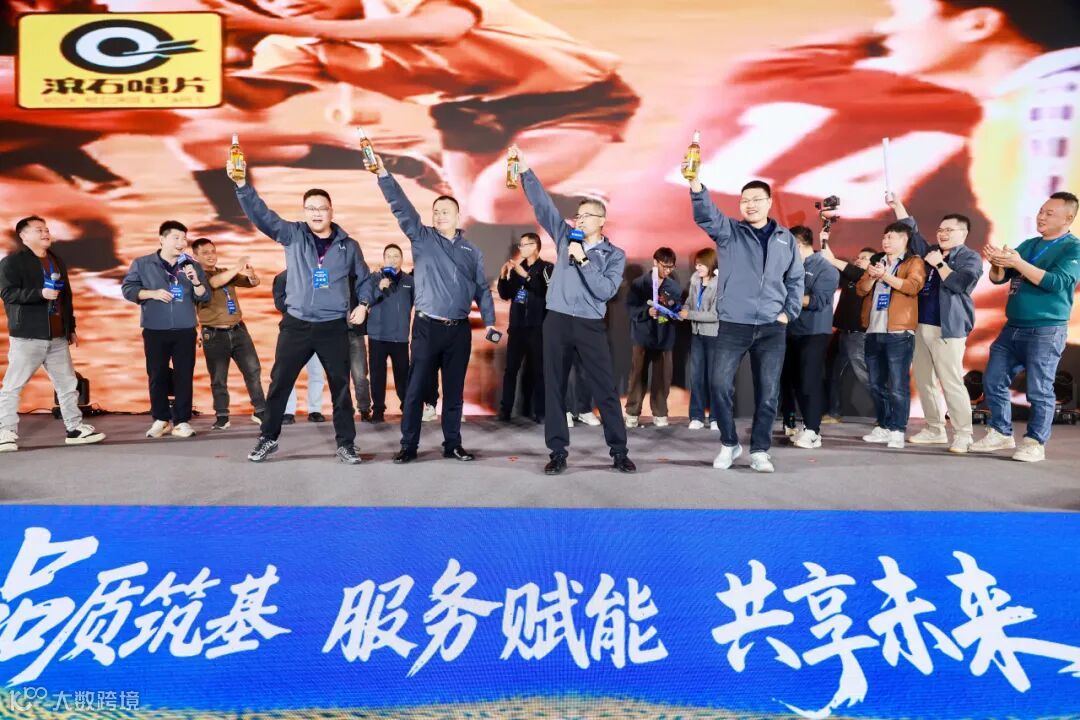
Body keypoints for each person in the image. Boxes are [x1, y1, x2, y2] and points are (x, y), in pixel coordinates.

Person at [232, 160, 371, 464]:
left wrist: (363, 305)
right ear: (304, 211)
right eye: (311, 208)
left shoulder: (349, 246)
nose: (316, 213)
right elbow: (263, 216)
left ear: (331, 211)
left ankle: (346, 444)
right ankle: (268, 438)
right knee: (280, 383)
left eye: (322, 208)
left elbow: (364, 279)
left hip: (333, 326)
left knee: (341, 388)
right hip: (296, 324)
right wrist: (242, 185)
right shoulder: (293, 234)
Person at [515, 145, 635, 475]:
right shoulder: (566, 237)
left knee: (605, 389)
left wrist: (583, 261)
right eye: (577, 215)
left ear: (601, 221)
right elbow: (543, 207)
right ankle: (557, 452)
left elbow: (605, 290)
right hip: (556, 320)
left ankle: (619, 451)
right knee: (554, 387)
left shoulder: (614, 255)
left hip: (589, 323)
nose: (578, 219)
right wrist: (525, 171)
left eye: (585, 216)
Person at [373, 153, 498, 464]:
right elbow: (401, 206)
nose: (440, 215)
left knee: (453, 393)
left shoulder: (472, 251)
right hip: (427, 328)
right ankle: (409, 446)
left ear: (458, 216)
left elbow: (481, 289)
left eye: (446, 211)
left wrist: (490, 321)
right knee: (416, 390)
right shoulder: (422, 237)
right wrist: (384, 175)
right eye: (436, 211)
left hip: (459, 331)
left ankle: (452, 444)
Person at [688, 172, 804, 474]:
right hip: (733, 323)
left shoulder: (785, 239)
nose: (750, 205)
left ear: (769, 202)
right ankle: (729, 443)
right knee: (719, 384)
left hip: (771, 327)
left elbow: (795, 278)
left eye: (756, 199)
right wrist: (696, 186)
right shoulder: (730, 232)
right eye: (744, 200)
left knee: (768, 393)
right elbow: (706, 215)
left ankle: (760, 450)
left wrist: (788, 313)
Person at [973, 192, 1080, 462]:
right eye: (1041, 211)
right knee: (993, 379)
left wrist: (1017, 262)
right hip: (1013, 327)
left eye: (1049, 213)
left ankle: (1034, 442)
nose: (1041, 217)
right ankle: (1000, 432)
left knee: (1039, 389)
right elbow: (999, 278)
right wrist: (997, 264)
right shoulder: (1030, 244)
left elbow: (1057, 282)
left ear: (1068, 218)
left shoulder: (1073, 248)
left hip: (1046, 329)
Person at [887, 194, 984, 453]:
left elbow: (960, 284)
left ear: (963, 233)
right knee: (924, 380)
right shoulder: (931, 252)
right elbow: (912, 233)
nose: (942, 234)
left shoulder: (970, 257)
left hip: (948, 328)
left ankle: (963, 434)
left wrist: (939, 264)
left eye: (949, 230)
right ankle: (934, 428)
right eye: (940, 230)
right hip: (921, 325)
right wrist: (898, 206)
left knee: (950, 381)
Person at [0, 215, 105, 452]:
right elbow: (7, 294)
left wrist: (71, 328)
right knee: (13, 386)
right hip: (28, 336)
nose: (45, 233)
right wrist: (40, 293)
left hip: (57, 337)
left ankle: (74, 429)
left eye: (46, 229)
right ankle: (5, 432)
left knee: (68, 385)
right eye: (39, 230)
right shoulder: (12, 263)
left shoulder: (56, 260)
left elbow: (66, 298)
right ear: (23, 236)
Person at [121, 221, 210, 439]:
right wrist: (152, 294)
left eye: (184, 238)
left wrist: (196, 281)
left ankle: (182, 421)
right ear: (162, 239)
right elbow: (128, 289)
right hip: (155, 329)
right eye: (176, 238)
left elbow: (204, 296)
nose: (182, 242)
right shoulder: (143, 263)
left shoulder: (191, 266)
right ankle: (161, 419)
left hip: (185, 329)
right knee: (157, 374)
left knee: (184, 375)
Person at [856, 222, 927, 449]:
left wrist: (885, 276)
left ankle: (897, 429)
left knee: (897, 385)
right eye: (884, 237)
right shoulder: (878, 261)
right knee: (876, 384)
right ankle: (884, 425)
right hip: (873, 330)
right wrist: (872, 276)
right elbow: (861, 290)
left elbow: (912, 286)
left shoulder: (913, 262)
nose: (886, 241)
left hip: (898, 332)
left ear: (904, 240)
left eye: (891, 237)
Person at [190, 238, 267, 430]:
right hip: (214, 333)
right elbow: (215, 282)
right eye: (205, 253)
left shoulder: (225, 272)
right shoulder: (195, 277)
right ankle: (222, 415)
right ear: (195, 256)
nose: (211, 256)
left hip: (238, 329)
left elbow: (252, 283)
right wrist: (237, 266)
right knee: (218, 377)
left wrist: (251, 275)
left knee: (253, 371)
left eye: (213, 251)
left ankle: (260, 410)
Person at [780, 226, 840, 449]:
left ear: (797, 245)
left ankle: (813, 431)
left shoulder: (825, 268)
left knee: (809, 381)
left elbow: (818, 301)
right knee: (794, 381)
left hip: (814, 332)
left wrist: (785, 296)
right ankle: (802, 425)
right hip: (790, 330)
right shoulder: (789, 267)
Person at [497, 232, 552, 422]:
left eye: (524, 245)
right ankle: (505, 410)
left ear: (535, 246)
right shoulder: (516, 269)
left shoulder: (547, 268)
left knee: (538, 370)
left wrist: (526, 276)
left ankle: (541, 411)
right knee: (511, 370)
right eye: (520, 245)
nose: (521, 248)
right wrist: (503, 277)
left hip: (537, 327)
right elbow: (506, 294)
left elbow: (547, 291)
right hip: (517, 327)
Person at [624, 248, 681, 428]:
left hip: (664, 338)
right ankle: (632, 412)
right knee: (637, 375)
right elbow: (630, 309)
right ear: (655, 262)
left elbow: (677, 309)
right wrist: (647, 311)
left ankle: (660, 412)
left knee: (662, 378)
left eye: (671, 267)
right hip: (642, 337)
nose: (668, 270)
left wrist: (671, 311)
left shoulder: (674, 287)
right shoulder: (639, 284)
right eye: (665, 266)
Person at [820, 242, 874, 423]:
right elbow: (831, 264)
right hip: (842, 333)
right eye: (858, 257)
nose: (859, 260)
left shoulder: (872, 279)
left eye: (864, 258)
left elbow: (840, 264)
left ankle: (888, 413)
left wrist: (831, 256)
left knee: (864, 375)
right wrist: (824, 241)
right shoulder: (849, 277)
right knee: (833, 372)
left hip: (859, 334)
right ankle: (834, 412)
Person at [272, 269, 328, 425]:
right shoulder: (282, 277)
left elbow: (327, 298)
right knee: (287, 372)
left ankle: (315, 410)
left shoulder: (319, 274)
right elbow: (280, 304)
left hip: (318, 328)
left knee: (317, 372)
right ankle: (288, 411)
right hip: (293, 330)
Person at [367, 244, 415, 423]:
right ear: (384, 259)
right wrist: (378, 288)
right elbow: (366, 300)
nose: (392, 259)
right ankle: (378, 410)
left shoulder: (410, 281)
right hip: (377, 336)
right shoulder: (374, 278)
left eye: (396, 256)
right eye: (389, 256)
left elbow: (415, 303)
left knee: (402, 375)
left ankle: (407, 408)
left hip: (400, 337)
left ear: (402, 259)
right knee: (377, 375)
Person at [679, 247, 721, 430]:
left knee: (714, 378)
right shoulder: (695, 279)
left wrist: (689, 314)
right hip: (696, 335)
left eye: (701, 265)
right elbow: (690, 301)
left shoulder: (719, 284)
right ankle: (696, 416)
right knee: (696, 377)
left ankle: (716, 417)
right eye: (696, 264)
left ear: (710, 264)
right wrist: (683, 309)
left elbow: (715, 315)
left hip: (713, 336)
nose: (697, 268)